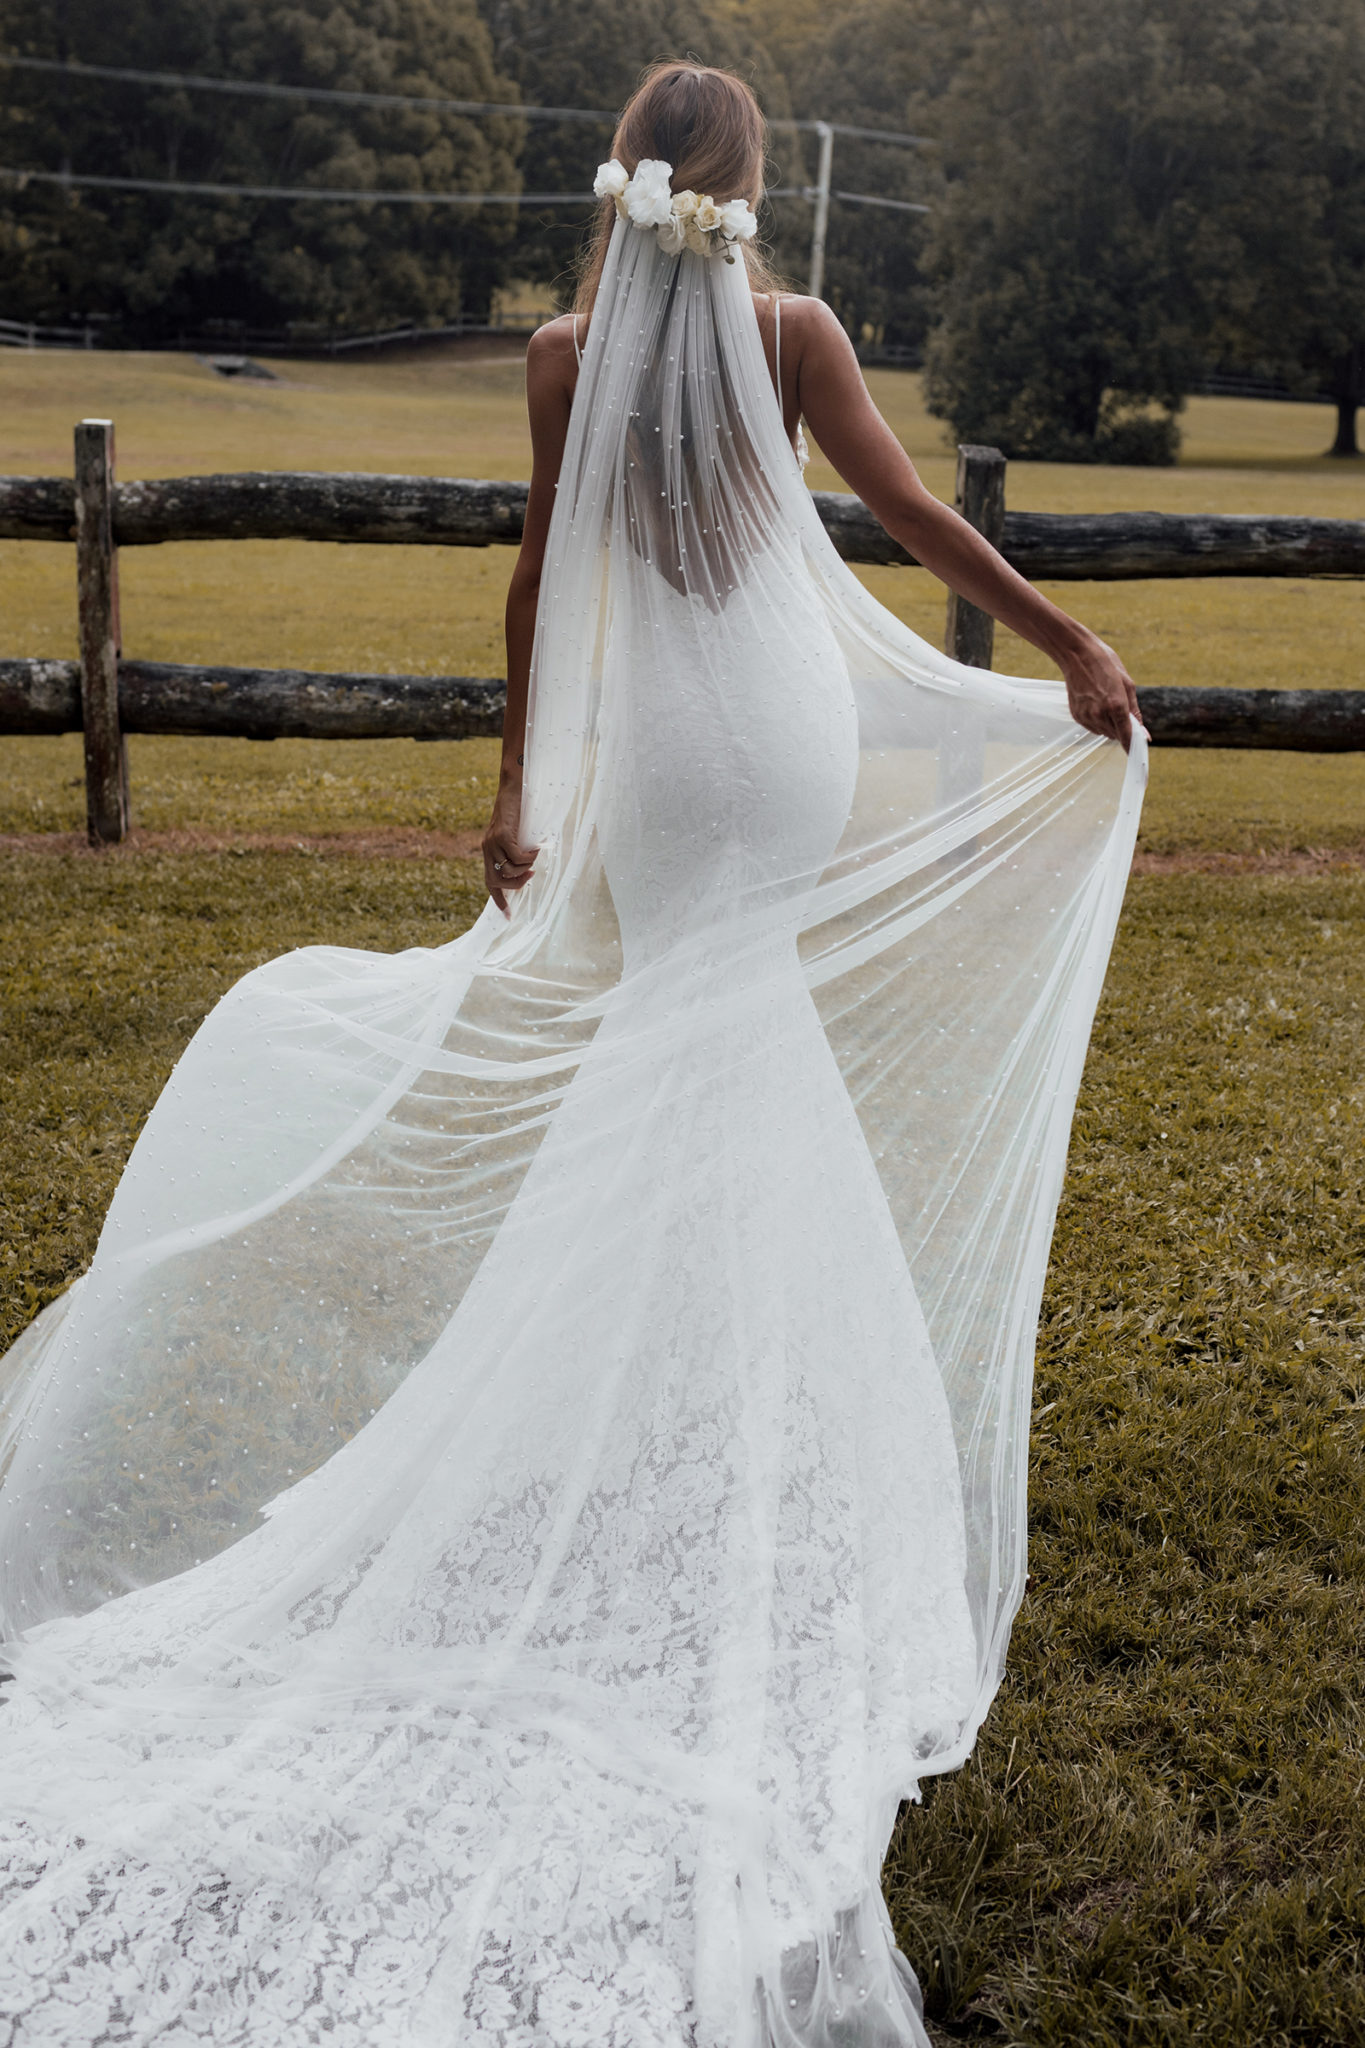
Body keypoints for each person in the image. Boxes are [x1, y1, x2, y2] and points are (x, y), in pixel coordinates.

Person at [0, 60, 1146, 2048]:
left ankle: (660, 1382)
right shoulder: (791, 329)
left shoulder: (562, 345)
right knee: (727, 1053)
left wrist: (515, 785)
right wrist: (1063, 640)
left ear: (621, 182)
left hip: (661, 768)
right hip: (779, 741)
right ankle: (703, 1400)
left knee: (687, 1054)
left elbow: (541, 579)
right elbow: (887, 512)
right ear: (743, 186)